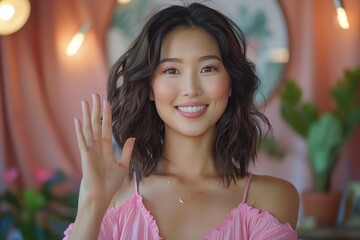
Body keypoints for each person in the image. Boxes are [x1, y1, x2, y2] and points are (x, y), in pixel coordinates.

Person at [64, 2, 299, 239]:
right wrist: (93, 202)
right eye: (171, 70)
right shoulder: (113, 200)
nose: (190, 89)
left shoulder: (270, 200)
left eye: (208, 69)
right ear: (150, 88)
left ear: (230, 84)